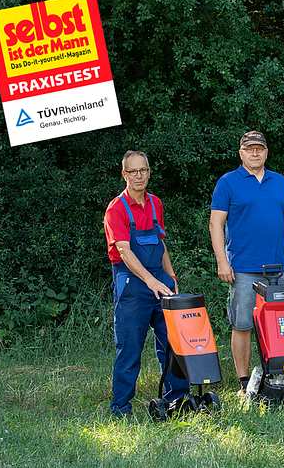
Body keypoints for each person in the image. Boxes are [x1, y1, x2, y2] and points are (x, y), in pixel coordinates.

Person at [209, 130, 284, 394]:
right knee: (242, 324)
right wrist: (222, 261)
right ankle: (243, 380)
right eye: (249, 149)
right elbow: (216, 224)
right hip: (243, 269)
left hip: (280, 267)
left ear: (266, 152)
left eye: (259, 149)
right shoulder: (228, 183)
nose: (255, 153)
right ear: (241, 152)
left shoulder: (279, 182)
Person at [103, 150, 187, 417]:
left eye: (143, 170)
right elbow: (125, 251)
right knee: (129, 348)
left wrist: (170, 277)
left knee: (174, 343)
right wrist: (150, 281)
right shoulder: (116, 208)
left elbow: (160, 243)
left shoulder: (155, 203)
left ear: (149, 172)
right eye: (133, 171)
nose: (139, 176)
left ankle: (177, 400)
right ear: (124, 174)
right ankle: (121, 407)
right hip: (131, 283)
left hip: (159, 279)